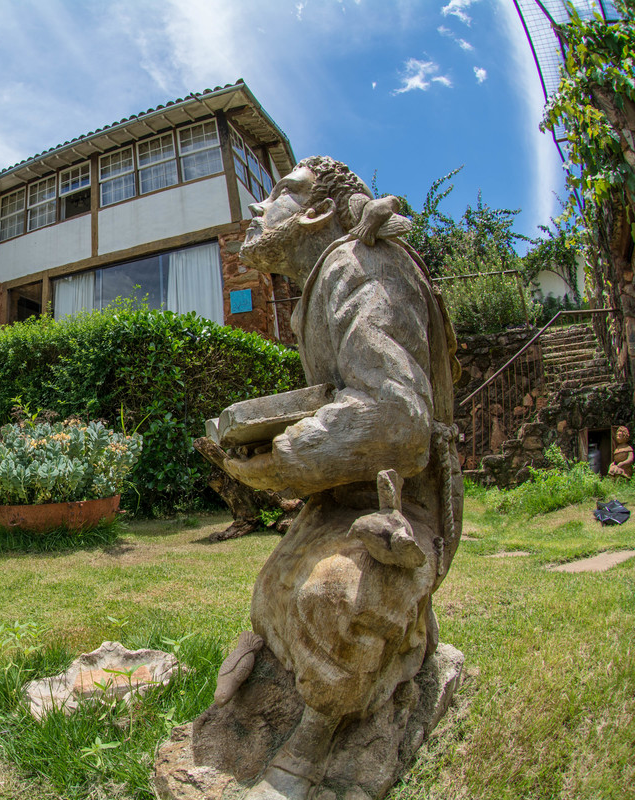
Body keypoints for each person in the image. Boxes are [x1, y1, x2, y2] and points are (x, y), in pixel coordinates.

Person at [209, 156, 463, 800]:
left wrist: (286, 455)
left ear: (318, 211)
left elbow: (398, 418)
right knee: (275, 588)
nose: (259, 207)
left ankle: (316, 741)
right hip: (338, 501)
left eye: (280, 192)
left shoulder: (364, 266)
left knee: (334, 594)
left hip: (400, 504)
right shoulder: (320, 287)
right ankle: (276, 662)